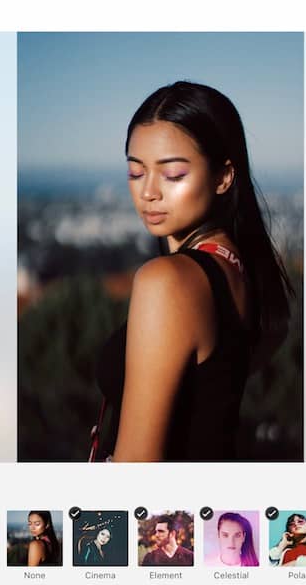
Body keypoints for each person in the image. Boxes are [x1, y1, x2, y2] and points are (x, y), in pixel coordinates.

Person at [96, 81, 293, 462]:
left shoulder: (167, 282)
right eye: (136, 173)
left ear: (223, 176)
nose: (148, 191)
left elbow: (135, 469)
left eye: (172, 175)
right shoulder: (243, 270)